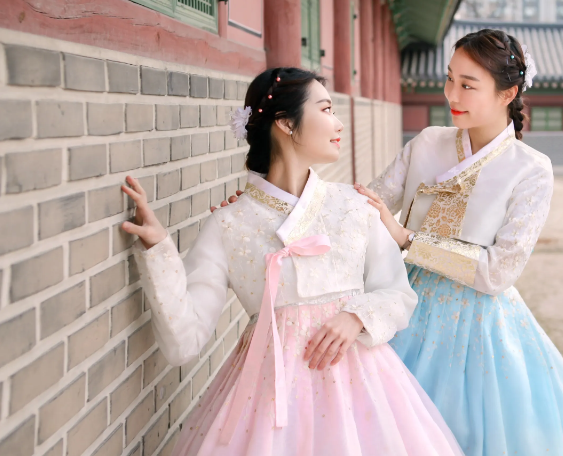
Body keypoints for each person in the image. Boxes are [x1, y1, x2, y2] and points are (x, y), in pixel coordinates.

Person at [123, 67, 463, 456]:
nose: (337, 122)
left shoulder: (355, 205)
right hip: (266, 400)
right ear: (285, 123)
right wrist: (157, 249)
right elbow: (184, 341)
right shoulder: (229, 223)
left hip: (363, 392)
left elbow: (398, 294)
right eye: (326, 109)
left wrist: (356, 317)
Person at [355, 29, 563, 456]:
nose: (453, 93)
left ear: (509, 92)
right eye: (449, 79)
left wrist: (408, 239)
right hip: (399, 303)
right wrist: (281, 205)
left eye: (468, 85)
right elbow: (365, 209)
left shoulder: (530, 170)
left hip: (478, 326)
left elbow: (498, 272)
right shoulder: (427, 142)